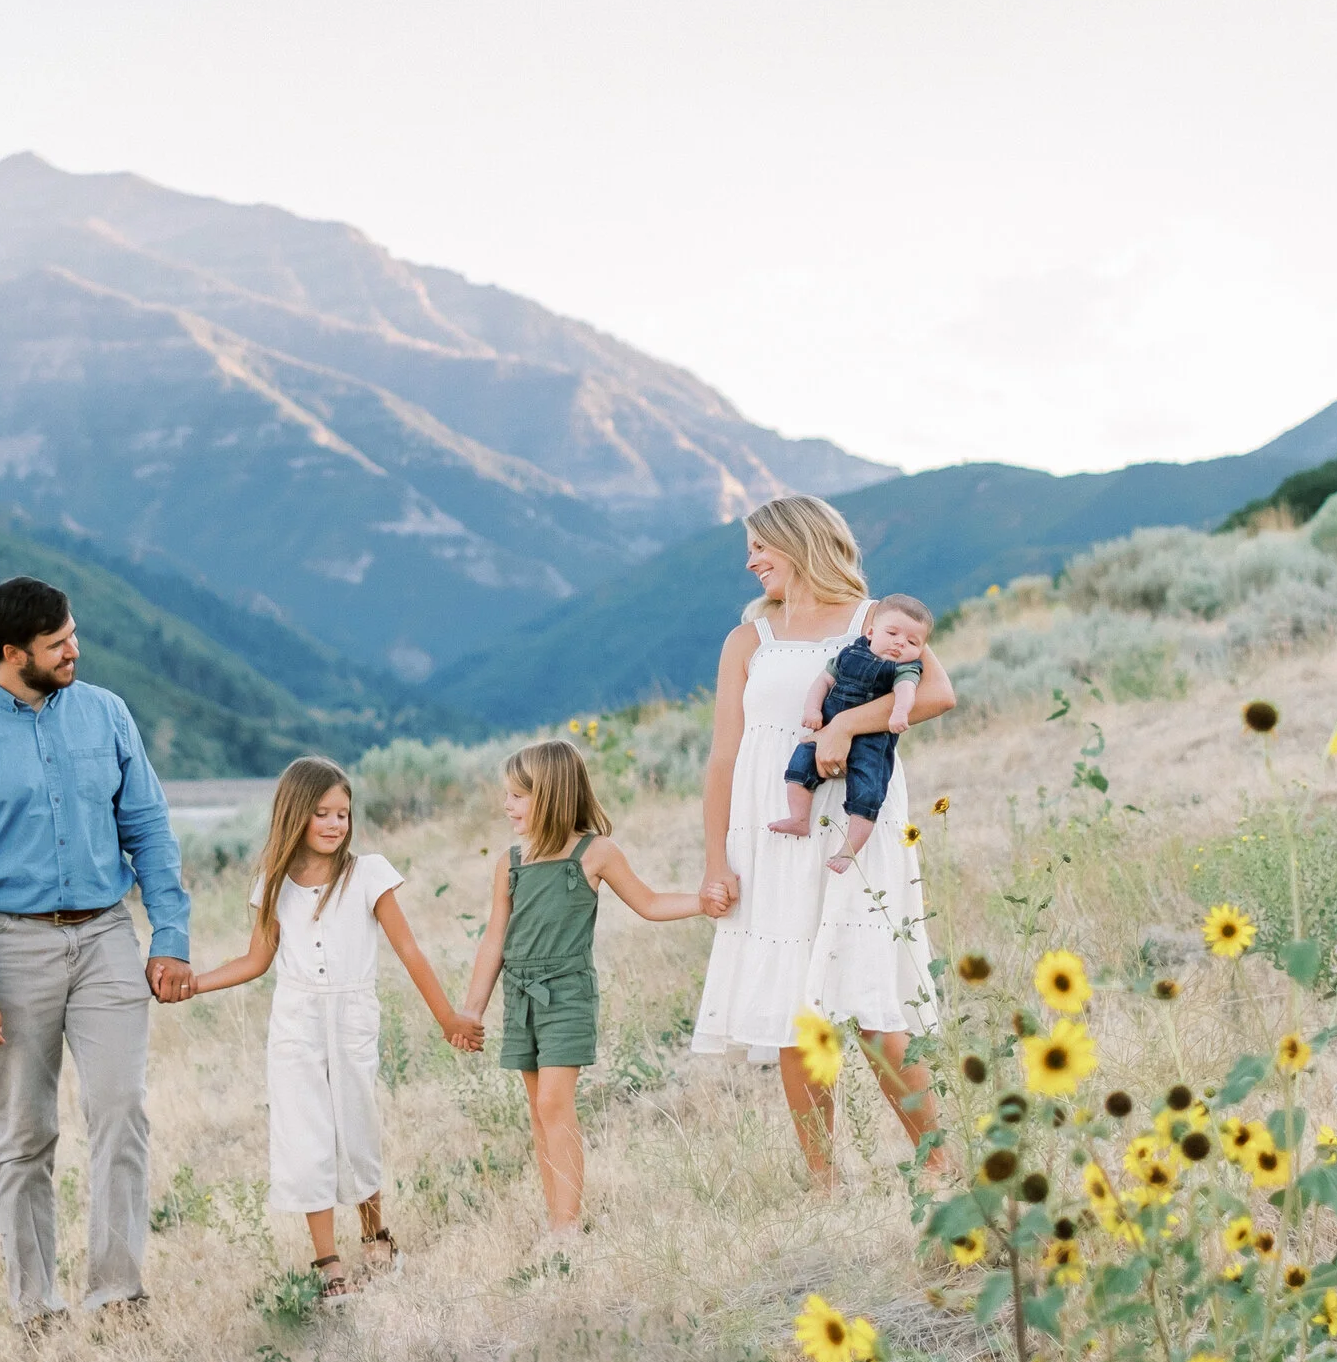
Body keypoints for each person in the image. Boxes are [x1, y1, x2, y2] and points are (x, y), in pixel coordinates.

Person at [0, 575, 192, 1324]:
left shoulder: (107, 714)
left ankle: (118, 1293)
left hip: (105, 934)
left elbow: (150, 830)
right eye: (57, 642)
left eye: (72, 632)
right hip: (8, 946)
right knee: (26, 1132)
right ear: (12, 653)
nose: (75, 649)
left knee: (122, 1108)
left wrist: (170, 935)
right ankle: (35, 1308)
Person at [690, 497, 954, 1185]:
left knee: (868, 996)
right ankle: (823, 1180)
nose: (749, 562)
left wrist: (844, 726)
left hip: (854, 829)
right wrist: (716, 858)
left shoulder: (875, 618)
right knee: (791, 1008)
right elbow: (724, 754)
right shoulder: (748, 640)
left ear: (798, 542)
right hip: (772, 833)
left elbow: (935, 693)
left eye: (759, 547)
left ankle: (939, 1161)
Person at [189, 756, 483, 1301]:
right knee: (307, 1138)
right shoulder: (272, 884)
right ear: (294, 814)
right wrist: (194, 983)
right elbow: (256, 961)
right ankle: (328, 1263)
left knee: (357, 1126)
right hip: (296, 1023)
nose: (334, 824)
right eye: (321, 813)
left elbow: (410, 951)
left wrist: (448, 1018)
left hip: (351, 1016)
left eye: (343, 814)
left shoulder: (368, 873)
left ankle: (376, 1232)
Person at [457, 740, 706, 1234]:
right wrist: (471, 1011)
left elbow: (650, 903)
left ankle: (568, 1229)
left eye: (517, 796)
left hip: (567, 993)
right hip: (520, 996)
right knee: (537, 1109)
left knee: (554, 1102)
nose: (506, 806)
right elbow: (494, 941)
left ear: (550, 795)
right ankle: (558, 1222)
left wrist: (703, 900)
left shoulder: (596, 854)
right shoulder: (510, 863)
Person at [761, 595, 933, 866]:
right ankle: (799, 818)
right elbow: (823, 681)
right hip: (825, 727)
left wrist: (900, 713)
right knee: (799, 765)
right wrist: (812, 710)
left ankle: (848, 849)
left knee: (867, 793)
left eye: (913, 642)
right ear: (871, 633)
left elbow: (906, 691)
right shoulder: (849, 654)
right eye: (892, 633)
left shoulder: (905, 668)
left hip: (872, 742)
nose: (900, 643)